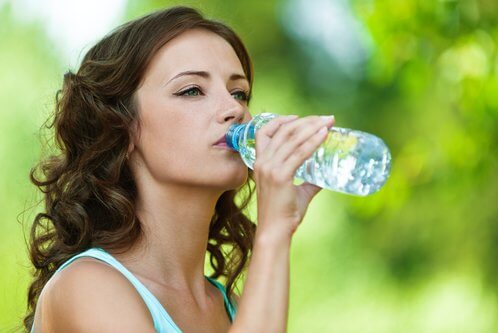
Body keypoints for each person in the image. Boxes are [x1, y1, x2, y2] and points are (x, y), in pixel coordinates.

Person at [25, 6, 334, 333]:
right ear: (122, 127)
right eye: (192, 90)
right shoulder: (86, 287)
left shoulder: (238, 310)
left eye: (239, 92)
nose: (235, 110)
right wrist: (273, 233)